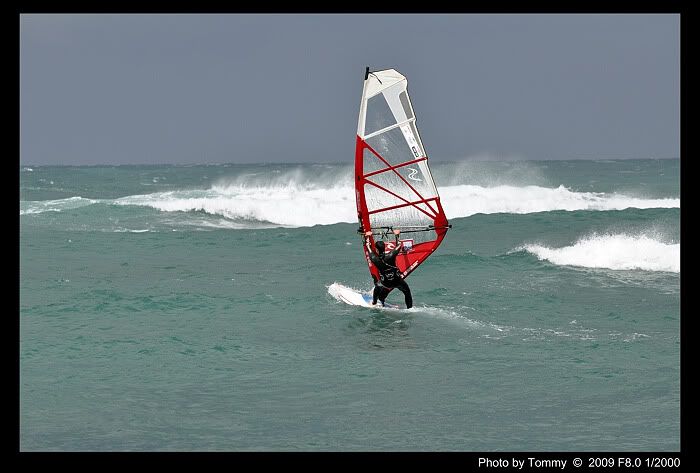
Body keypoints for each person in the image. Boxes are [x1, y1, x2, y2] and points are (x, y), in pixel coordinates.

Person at [363, 229, 413, 309]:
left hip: (385, 283)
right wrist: (397, 235)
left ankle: (374, 302)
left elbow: (368, 246)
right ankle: (409, 308)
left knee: (377, 286)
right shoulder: (391, 255)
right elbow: (399, 245)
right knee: (407, 292)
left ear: (376, 250)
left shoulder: (374, 258)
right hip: (397, 281)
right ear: (385, 248)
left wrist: (367, 236)